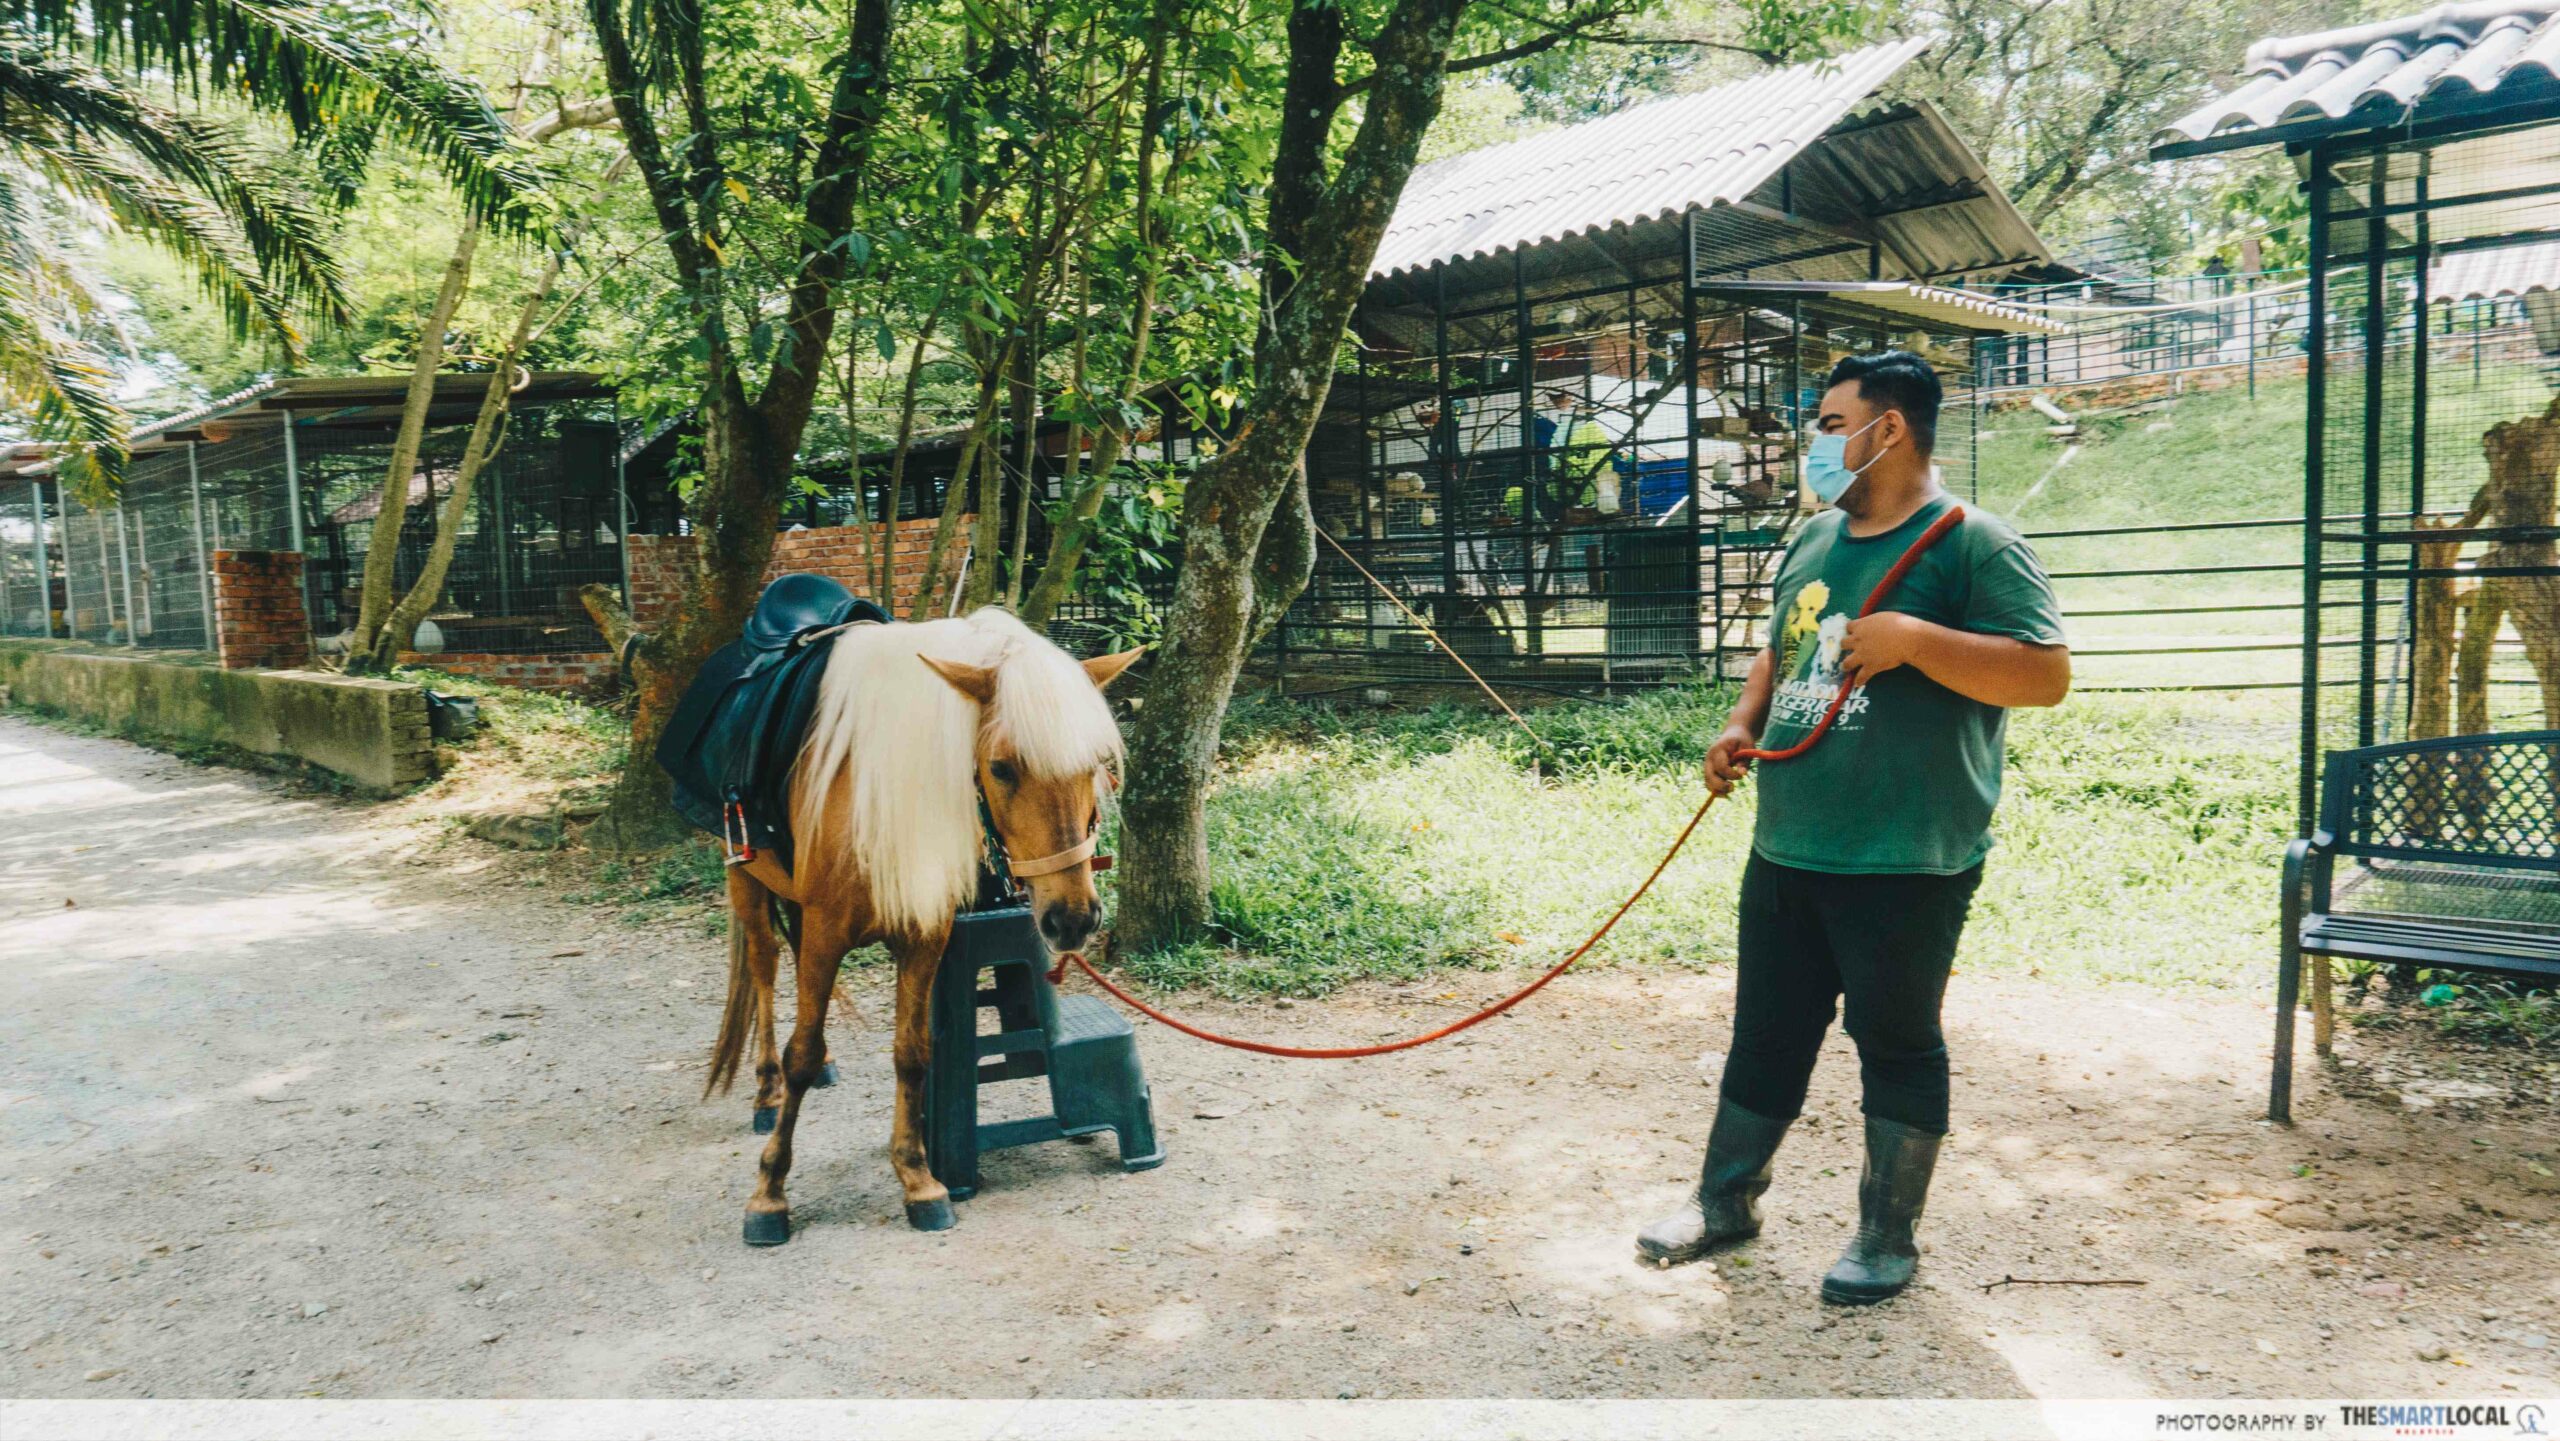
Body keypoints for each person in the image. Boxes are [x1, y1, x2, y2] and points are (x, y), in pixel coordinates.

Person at [1635, 350, 2070, 1306]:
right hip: (1790, 837)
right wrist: (1742, 723)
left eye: (1831, 424)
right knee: (1767, 1032)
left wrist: (1916, 641)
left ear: (1892, 428)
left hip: (1907, 855)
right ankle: (1725, 1201)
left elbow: (2045, 675)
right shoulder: (1816, 537)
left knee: (1896, 1039)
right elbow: (1780, 644)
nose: (1816, 443)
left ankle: (1884, 1234)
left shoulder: (1972, 543)